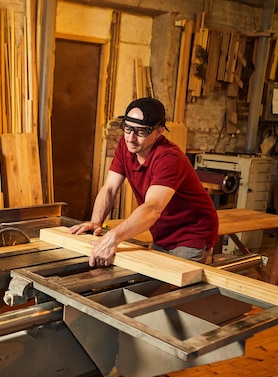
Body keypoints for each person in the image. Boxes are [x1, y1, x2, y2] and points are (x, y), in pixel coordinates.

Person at [69, 97, 218, 267]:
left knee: (169, 291)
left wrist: (114, 237)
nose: (131, 138)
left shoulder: (168, 158)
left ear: (159, 131)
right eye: (127, 128)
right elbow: (110, 189)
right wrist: (96, 222)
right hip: (162, 232)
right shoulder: (126, 146)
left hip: (191, 234)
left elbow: (153, 208)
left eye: (141, 132)